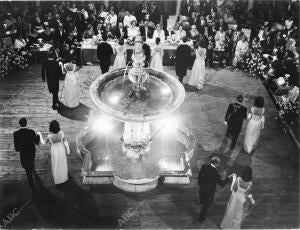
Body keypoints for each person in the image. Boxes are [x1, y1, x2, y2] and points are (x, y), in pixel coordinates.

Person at [198, 156, 231, 222]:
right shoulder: (216, 173)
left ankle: (202, 201)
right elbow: (222, 184)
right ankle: (201, 218)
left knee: (202, 199)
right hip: (209, 192)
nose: (219, 164)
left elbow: (199, 176)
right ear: (216, 164)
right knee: (206, 206)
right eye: (219, 163)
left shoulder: (204, 166)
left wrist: (200, 184)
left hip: (202, 188)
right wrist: (228, 178)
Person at [13, 118, 42, 192]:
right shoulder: (31, 132)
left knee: (27, 169)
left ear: (20, 124)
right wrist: (38, 134)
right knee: (31, 164)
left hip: (23, 153)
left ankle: (32, 185)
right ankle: (33, 171)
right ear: (26, 123)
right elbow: (36, 141)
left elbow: (17, 148)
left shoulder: (16, 134)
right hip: (31, 152)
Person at [38, 120, 70, 186]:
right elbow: (65, 142)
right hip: (61, 149)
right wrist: (68, 149)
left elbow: (43, 142)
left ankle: (57, 180)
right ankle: (64, 177)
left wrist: (40, 135)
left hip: (54, 151)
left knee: (55, 164)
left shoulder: (49, 136)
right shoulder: (61, 133)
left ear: (51, 128)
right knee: (62, 163)